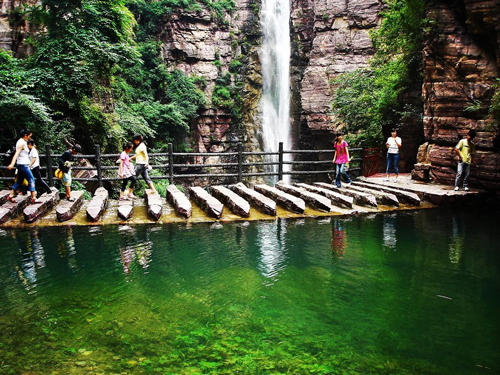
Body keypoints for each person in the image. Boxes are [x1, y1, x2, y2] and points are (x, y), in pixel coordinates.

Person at [7, 129, 37, 203]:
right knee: (31, 179)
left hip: (23, 164)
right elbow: (16, 154)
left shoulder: (23, 142)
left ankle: (11, 196)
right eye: (29, 136)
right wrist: (12, 164)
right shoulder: (21, 143)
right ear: (25, 135)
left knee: (19, 181)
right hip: (23, 164)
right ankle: (33, 197)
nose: (30, 138)